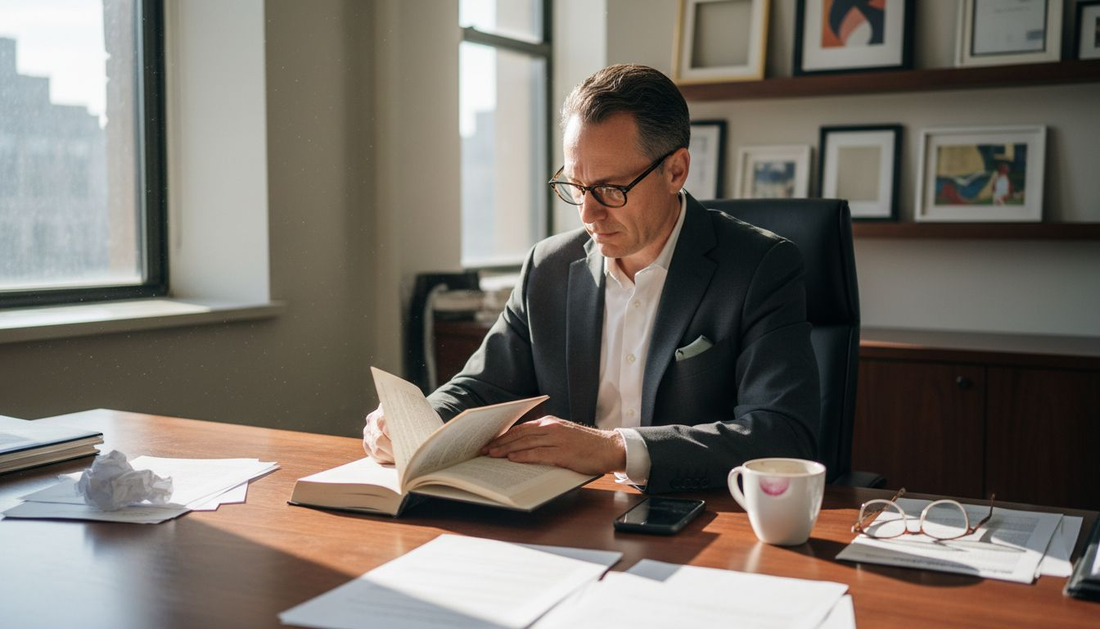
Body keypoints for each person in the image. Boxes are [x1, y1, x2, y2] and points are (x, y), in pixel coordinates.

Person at [364, 64, 819, 493]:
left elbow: (781, 434)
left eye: (609, 189)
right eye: (575, 187)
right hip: (569, 509)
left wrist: (615, 449)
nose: (588, 213)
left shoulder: (761, 266)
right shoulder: (548, 266)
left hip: (700, 516)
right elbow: (483, 386)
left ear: (676, 170)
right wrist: (416, 423)